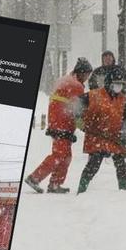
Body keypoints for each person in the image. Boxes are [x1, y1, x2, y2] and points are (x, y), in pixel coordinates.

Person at [24, 57, 93, 194]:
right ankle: (35, 178)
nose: (87, 77)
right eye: (86, 74)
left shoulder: (64, 80)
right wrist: (84, 126)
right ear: (81, 72)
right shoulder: (76, 86)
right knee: (59, 155)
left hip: (57, 122)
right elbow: (77, 110)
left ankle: (55, 184)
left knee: (65, 156)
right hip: (63, 124)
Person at [76, 67, 126, 194]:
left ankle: (124, 193)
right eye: (116, 84)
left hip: (115, 138)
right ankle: (81, 191)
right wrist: (79, 121)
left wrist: (124, 137)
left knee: (122, 166)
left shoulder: (123, 101)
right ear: (109, 83)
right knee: (93, 166)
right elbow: (75, 105)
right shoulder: (94, 95)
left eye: (121, 84)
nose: (118, 87)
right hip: (96, 136)